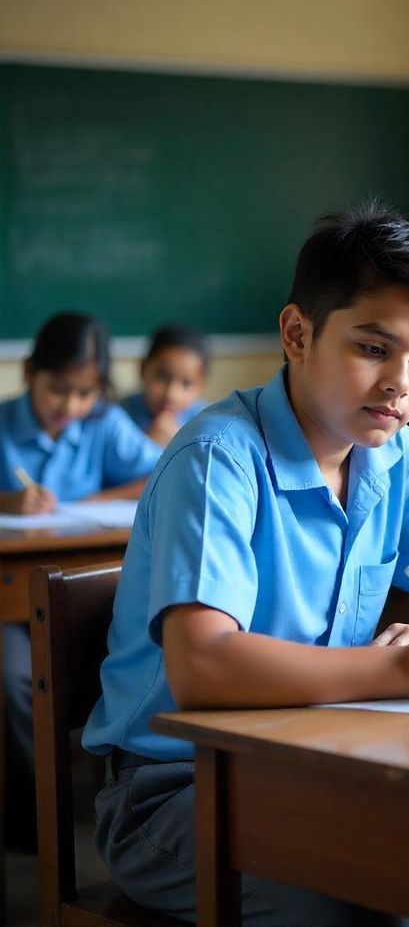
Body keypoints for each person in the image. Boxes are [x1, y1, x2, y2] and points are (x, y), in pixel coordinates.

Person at [83, 202, 409, 926]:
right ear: (297, 334)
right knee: (364, 898)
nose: (400, 382)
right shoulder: (221, 459)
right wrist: (400, 671)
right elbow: (203, 665)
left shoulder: (394, 457)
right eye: (373, 348)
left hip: (323, 759)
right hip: (177, 791)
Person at [0, 311, 163, 852]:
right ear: (29, 373)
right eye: (58, 390)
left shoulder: (104, 424)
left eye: (85, 393)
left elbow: (161, 469)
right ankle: (37, 821)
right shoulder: (4, 424)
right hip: (15, 605)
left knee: (144, 659)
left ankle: (121, 806)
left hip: (92, 600)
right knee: (17, 679)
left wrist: (82, 503)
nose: (70, 406)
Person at [122, 323, 209, 446]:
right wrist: (147, 444)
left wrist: (180, 446)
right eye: (162, 377)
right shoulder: (121, 417)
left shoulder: (206, 423)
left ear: (200, 387)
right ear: (143, 369)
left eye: (186, 383)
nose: (171, 394)